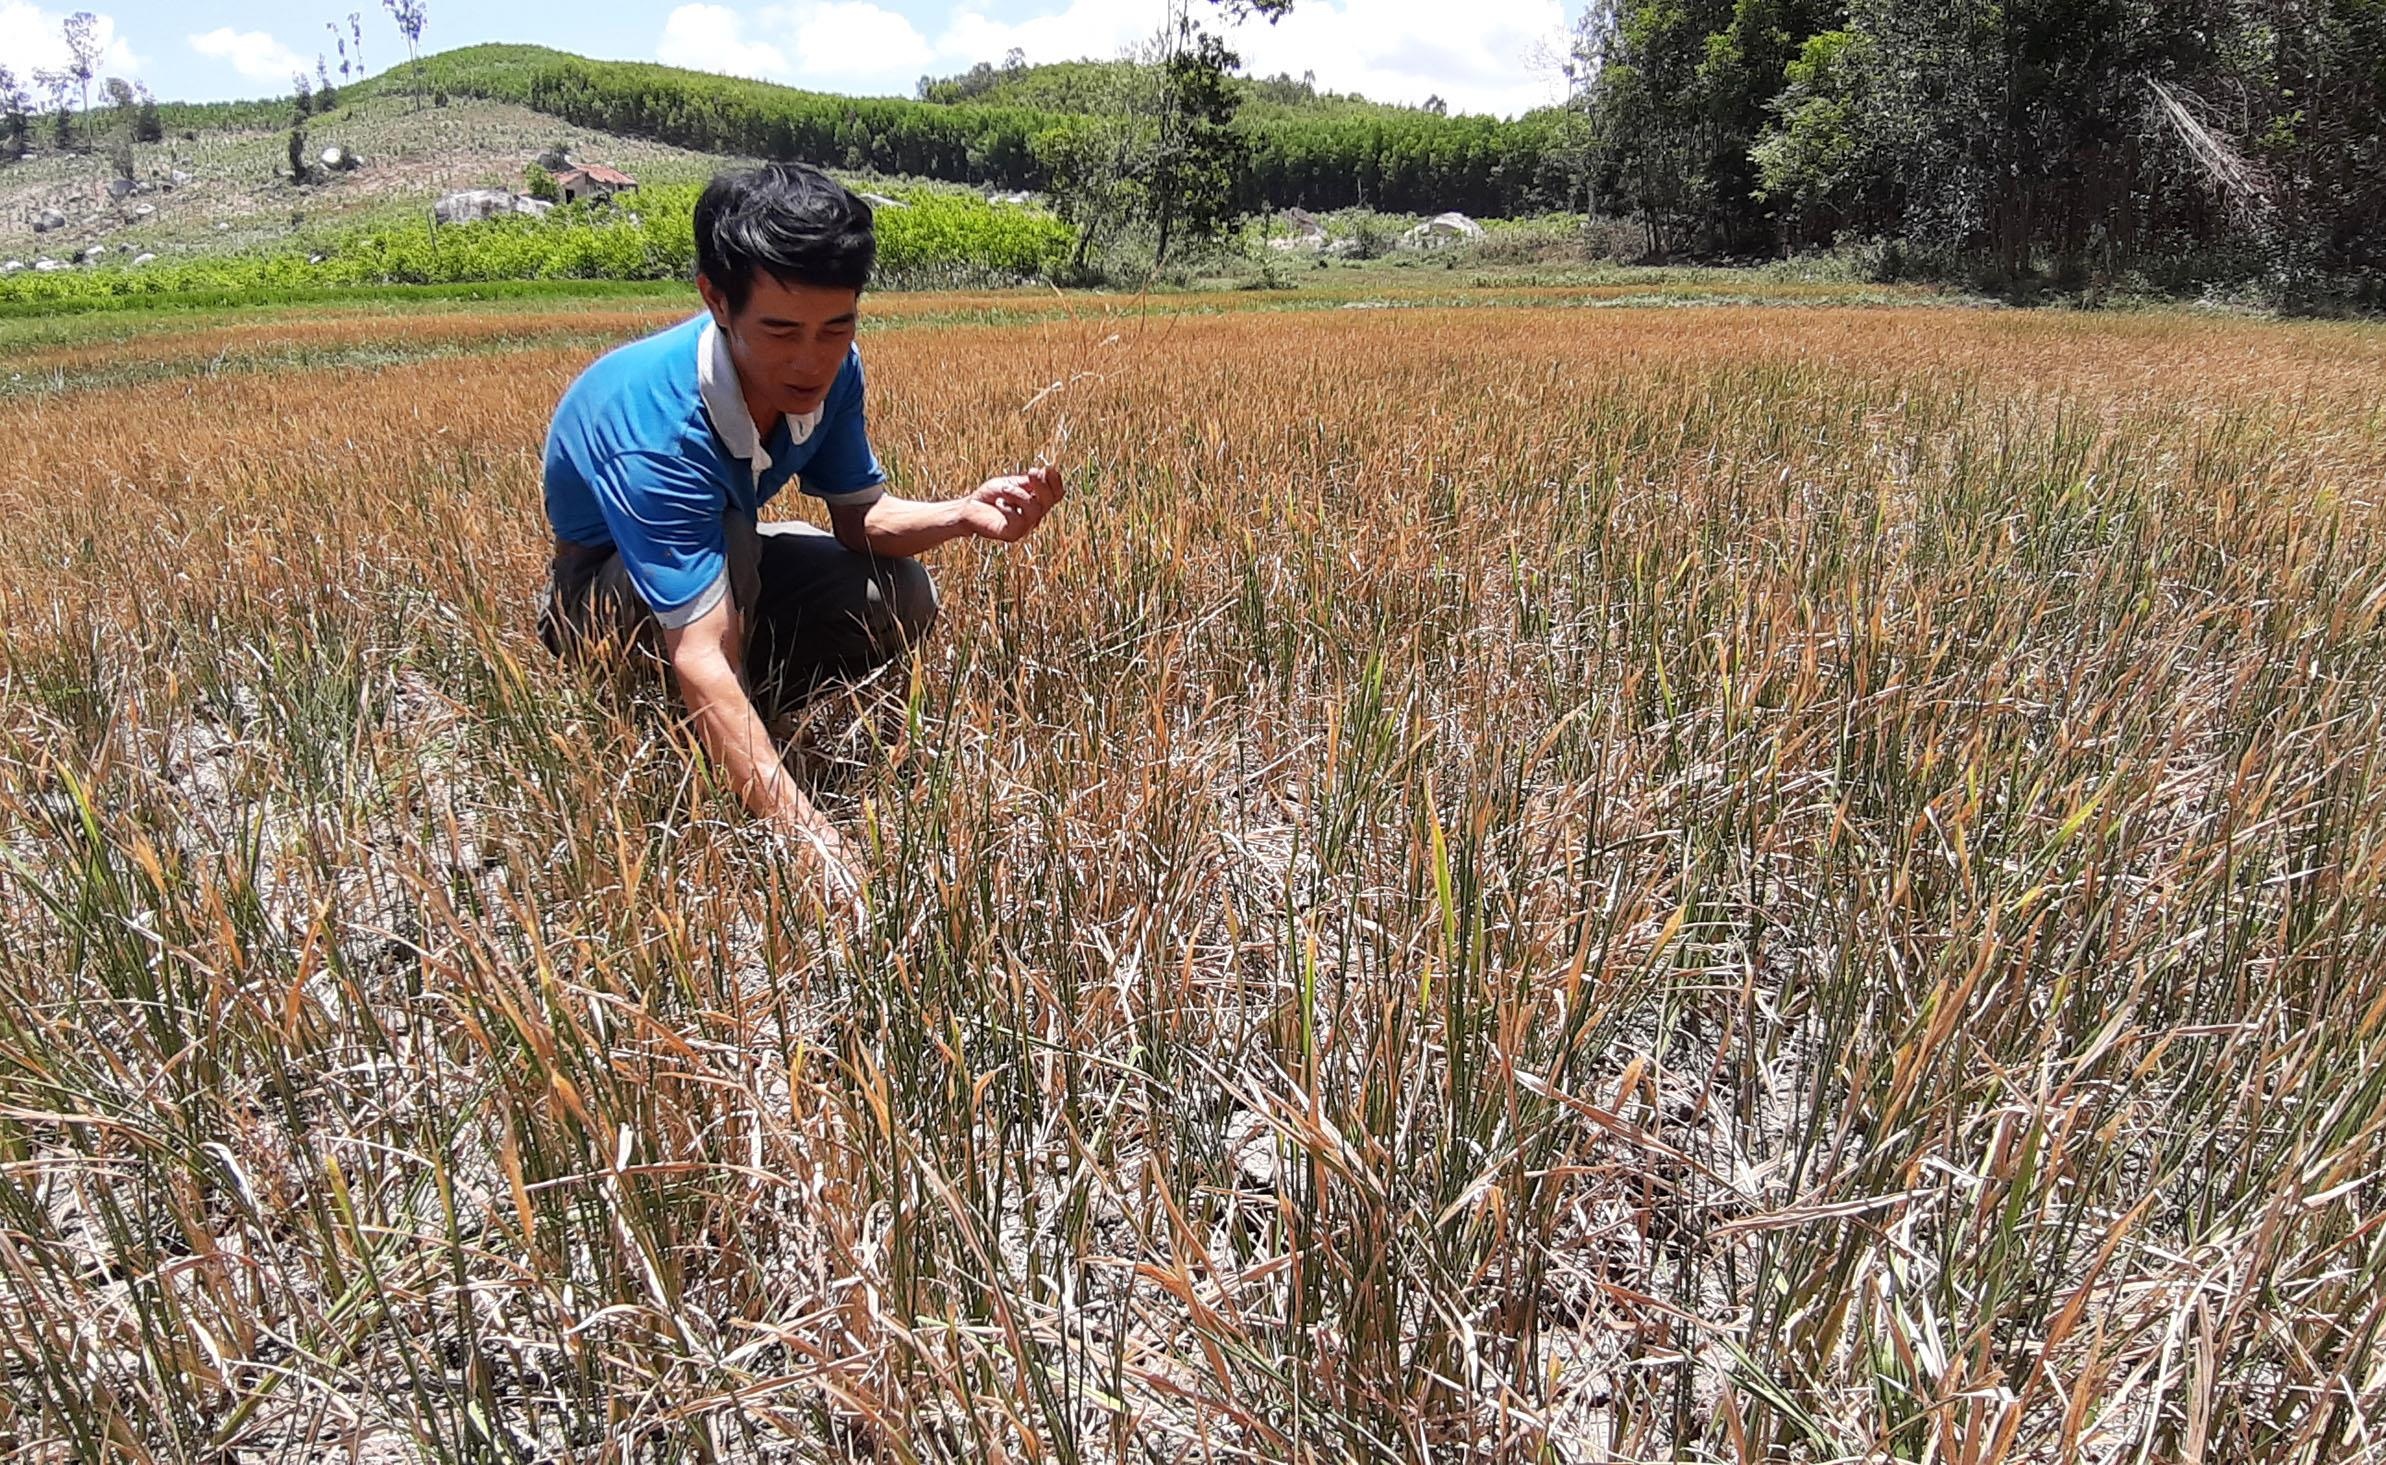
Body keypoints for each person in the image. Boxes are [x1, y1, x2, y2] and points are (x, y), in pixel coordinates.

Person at [538, 162, 1063, 897]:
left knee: (900, 595)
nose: (812, 359)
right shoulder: (656, 431)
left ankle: (748, 710)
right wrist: (811, 836)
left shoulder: (836, 374)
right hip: (601, 602)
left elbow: (861, 519)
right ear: (716, 300)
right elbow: (697, 651)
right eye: (781, 330)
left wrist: (961, 514)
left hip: (725, 561)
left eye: (837, 326)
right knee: (732, 544)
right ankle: (720, 732)